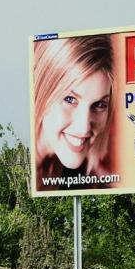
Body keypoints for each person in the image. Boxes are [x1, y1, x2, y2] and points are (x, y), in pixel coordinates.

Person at [32, 34, 117, 191]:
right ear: (41, 91)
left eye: (99, 104)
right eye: (70, 99)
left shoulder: (91, 181)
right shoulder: (9, 175)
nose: (84, 127)